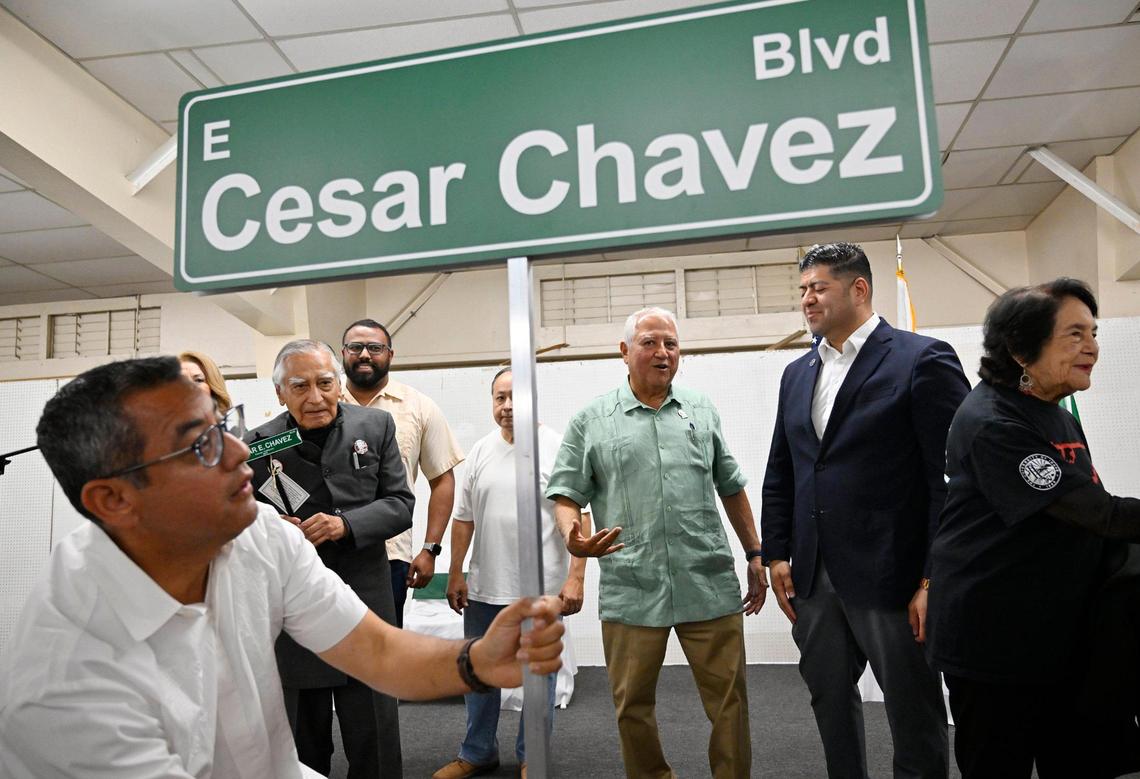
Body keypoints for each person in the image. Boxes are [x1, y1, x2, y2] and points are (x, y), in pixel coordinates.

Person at [0, 356, 564, 779]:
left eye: (223, 424)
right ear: (114, 500)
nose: (241, 451)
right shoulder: (68, 688)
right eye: (200, 445)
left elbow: (378, 651)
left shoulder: (255, 536)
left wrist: (478, 661)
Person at [761, 242, 968, 779]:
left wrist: (932, 576)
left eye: (819, 287)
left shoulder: (922, 359)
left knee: (912, 708)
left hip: (893, 574)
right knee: (829, 702)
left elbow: (950, 481)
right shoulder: (797, 373)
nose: (807, 299)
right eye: (803, 289)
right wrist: (776, 552)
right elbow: (784, 469)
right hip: (814, 576)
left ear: (859, 289)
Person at [925, 278, 1140, 778]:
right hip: (994, 645)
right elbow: (1097, 513)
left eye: (1093, 333)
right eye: (1074, 335)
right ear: (1021, 350)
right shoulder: (993, 422)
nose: (1091, 347)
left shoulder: (1052, 408)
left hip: (1055, 637)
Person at [546, 306, 767, 779]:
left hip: (705, 579)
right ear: (624, 352)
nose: (662, 352)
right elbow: (566, 493)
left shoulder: (701, 409)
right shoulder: (592, 419)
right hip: (633, 585)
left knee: (730, 702)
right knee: (632, 705)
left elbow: (730, 484)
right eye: (649, 342)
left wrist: (755, 552)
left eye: (670, 343)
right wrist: (573, 537)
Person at [247, 340, 412, 779]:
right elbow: (240, 523)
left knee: (373, 734)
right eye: (299, 386)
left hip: (365, 603)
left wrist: (346, 525)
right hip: (294, 609)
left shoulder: (375, 425)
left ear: (339, 383)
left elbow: (400, 503)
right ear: (280, 393)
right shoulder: (257, 446)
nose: (315, 397)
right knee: (301, 740)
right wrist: (271, 528)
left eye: (325, 383)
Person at [435, 368, 588, 779]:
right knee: (477, 673)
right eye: (499, 398)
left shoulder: (558, 448)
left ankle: (531, 756)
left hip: (541, 589)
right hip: (486, 587)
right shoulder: (481, 450)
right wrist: (456, 572)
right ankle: (477, 751)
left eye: (515, 398)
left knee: (539, 677)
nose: (507, 407)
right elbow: (464, 519)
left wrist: (576, 577)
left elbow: (578, 518)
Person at [340, 318, 464, 627]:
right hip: (330, 551)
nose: (365, 354)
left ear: (390, 355)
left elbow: (442, 480)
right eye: (355, 347)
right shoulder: (325, 404)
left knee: (384, 646)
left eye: (375, 347)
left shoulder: (418, 407)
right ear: (343, 353)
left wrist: (430, 550)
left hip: (390, 555)